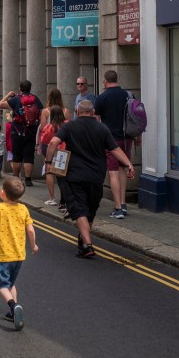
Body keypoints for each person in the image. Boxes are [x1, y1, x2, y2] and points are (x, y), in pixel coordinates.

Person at [46, 100, 135, 258]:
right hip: (96, 176)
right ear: (93, 112)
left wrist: (48, 162)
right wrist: (128, 164)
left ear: (77, 111)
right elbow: (115, 149)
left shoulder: (70, 126)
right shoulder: (102, 128)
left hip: (75, 175)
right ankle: (83, 239)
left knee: (79, 209)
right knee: (90, 210)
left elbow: (53, 142)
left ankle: (87, 245)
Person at [0, 177, 38, 331]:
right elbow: (30, 230)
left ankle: (14, 305)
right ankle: (12, 313)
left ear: (2, 192)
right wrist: (33, 246)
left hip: (3, 256)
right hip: (19, 255)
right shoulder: (23, 209)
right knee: (11, 283)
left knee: (2, 286)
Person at [93, 70, 133, 219]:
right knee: (123, 168)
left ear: (105, 81)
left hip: (111, 140)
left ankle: (118, 209)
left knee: (113, 172)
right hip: (127, 138)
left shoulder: (101, 98)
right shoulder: (128, 95)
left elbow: (97, 121)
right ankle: (123, 203)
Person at [0, 81, 44, 187]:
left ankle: (16, 177)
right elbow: (40, 113)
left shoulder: (16, 99)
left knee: (17, 156)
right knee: (29, 156)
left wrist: (9, 94)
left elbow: (0, 104)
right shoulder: (35, 99)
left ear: (20, 88)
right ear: (30, 88)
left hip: (17, 132)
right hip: (31, 131)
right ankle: (28, 179)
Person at [38, 105, 68, 207]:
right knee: (64, 178)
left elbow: (45, 140)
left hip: (53, 153)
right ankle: (64, 200)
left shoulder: (50, 126)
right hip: (65, 153)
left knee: (57, 177)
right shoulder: (68, 124)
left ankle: (61, 201)